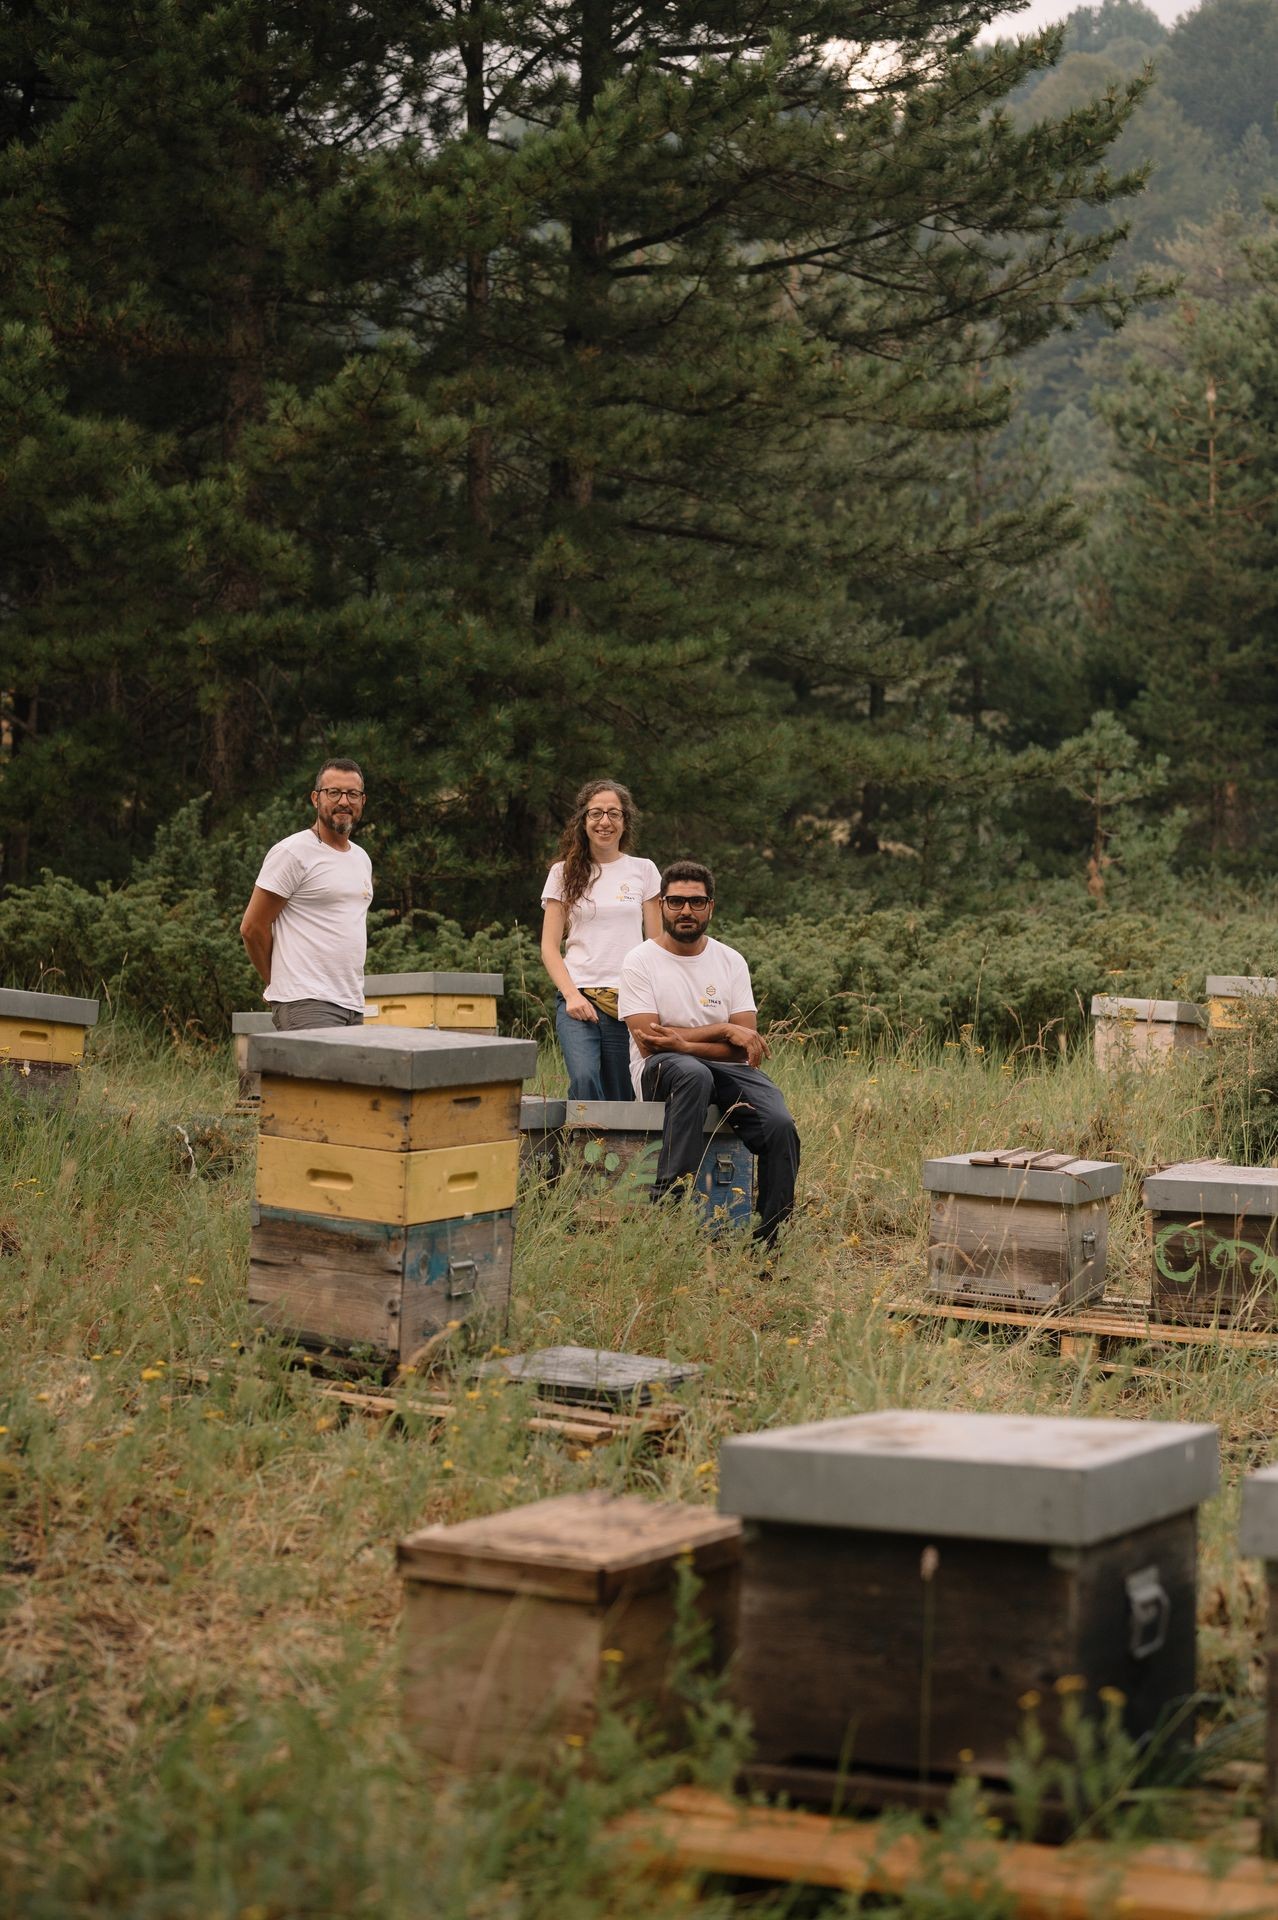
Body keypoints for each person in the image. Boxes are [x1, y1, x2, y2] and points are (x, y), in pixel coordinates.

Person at [618, 860, 800, 1247]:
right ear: (661, 905)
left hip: (725, 1069)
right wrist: (719, 1030)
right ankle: (669, 1204)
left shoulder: (730, 960)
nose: (686, 911)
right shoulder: (640, 961)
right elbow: (649, 1041)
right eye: (677, 901)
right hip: (660, 1071)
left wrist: (685, 1043)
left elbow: (745, 1046)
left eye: (696, 902)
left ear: (711, 907)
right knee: (692, 1073)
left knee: (779, 1125)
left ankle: (770, 1241)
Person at [540, 780, 662, 1101]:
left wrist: (655, 1001)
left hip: (629, 1001)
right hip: (579, 997)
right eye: (596, 813)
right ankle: (582, 1150)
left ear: (625, 821)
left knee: (623, 1093)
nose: (604, 821)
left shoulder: (643, 870)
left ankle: (619, 1153)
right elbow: (549, 947)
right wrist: (571, 996)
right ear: (583, 821)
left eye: (613, 813)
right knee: (584, 1079)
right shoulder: (563, 873)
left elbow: (657, 944)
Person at [240, 758, 374, 1030]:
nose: (344, 802)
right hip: (307, 1003)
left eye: (352, 794)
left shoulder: (361, 858)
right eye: (333, 792)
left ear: (363, 800)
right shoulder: (293, 853)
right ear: (316, 798)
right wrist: (275, 981)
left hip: (352, 1004)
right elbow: (252, 927)